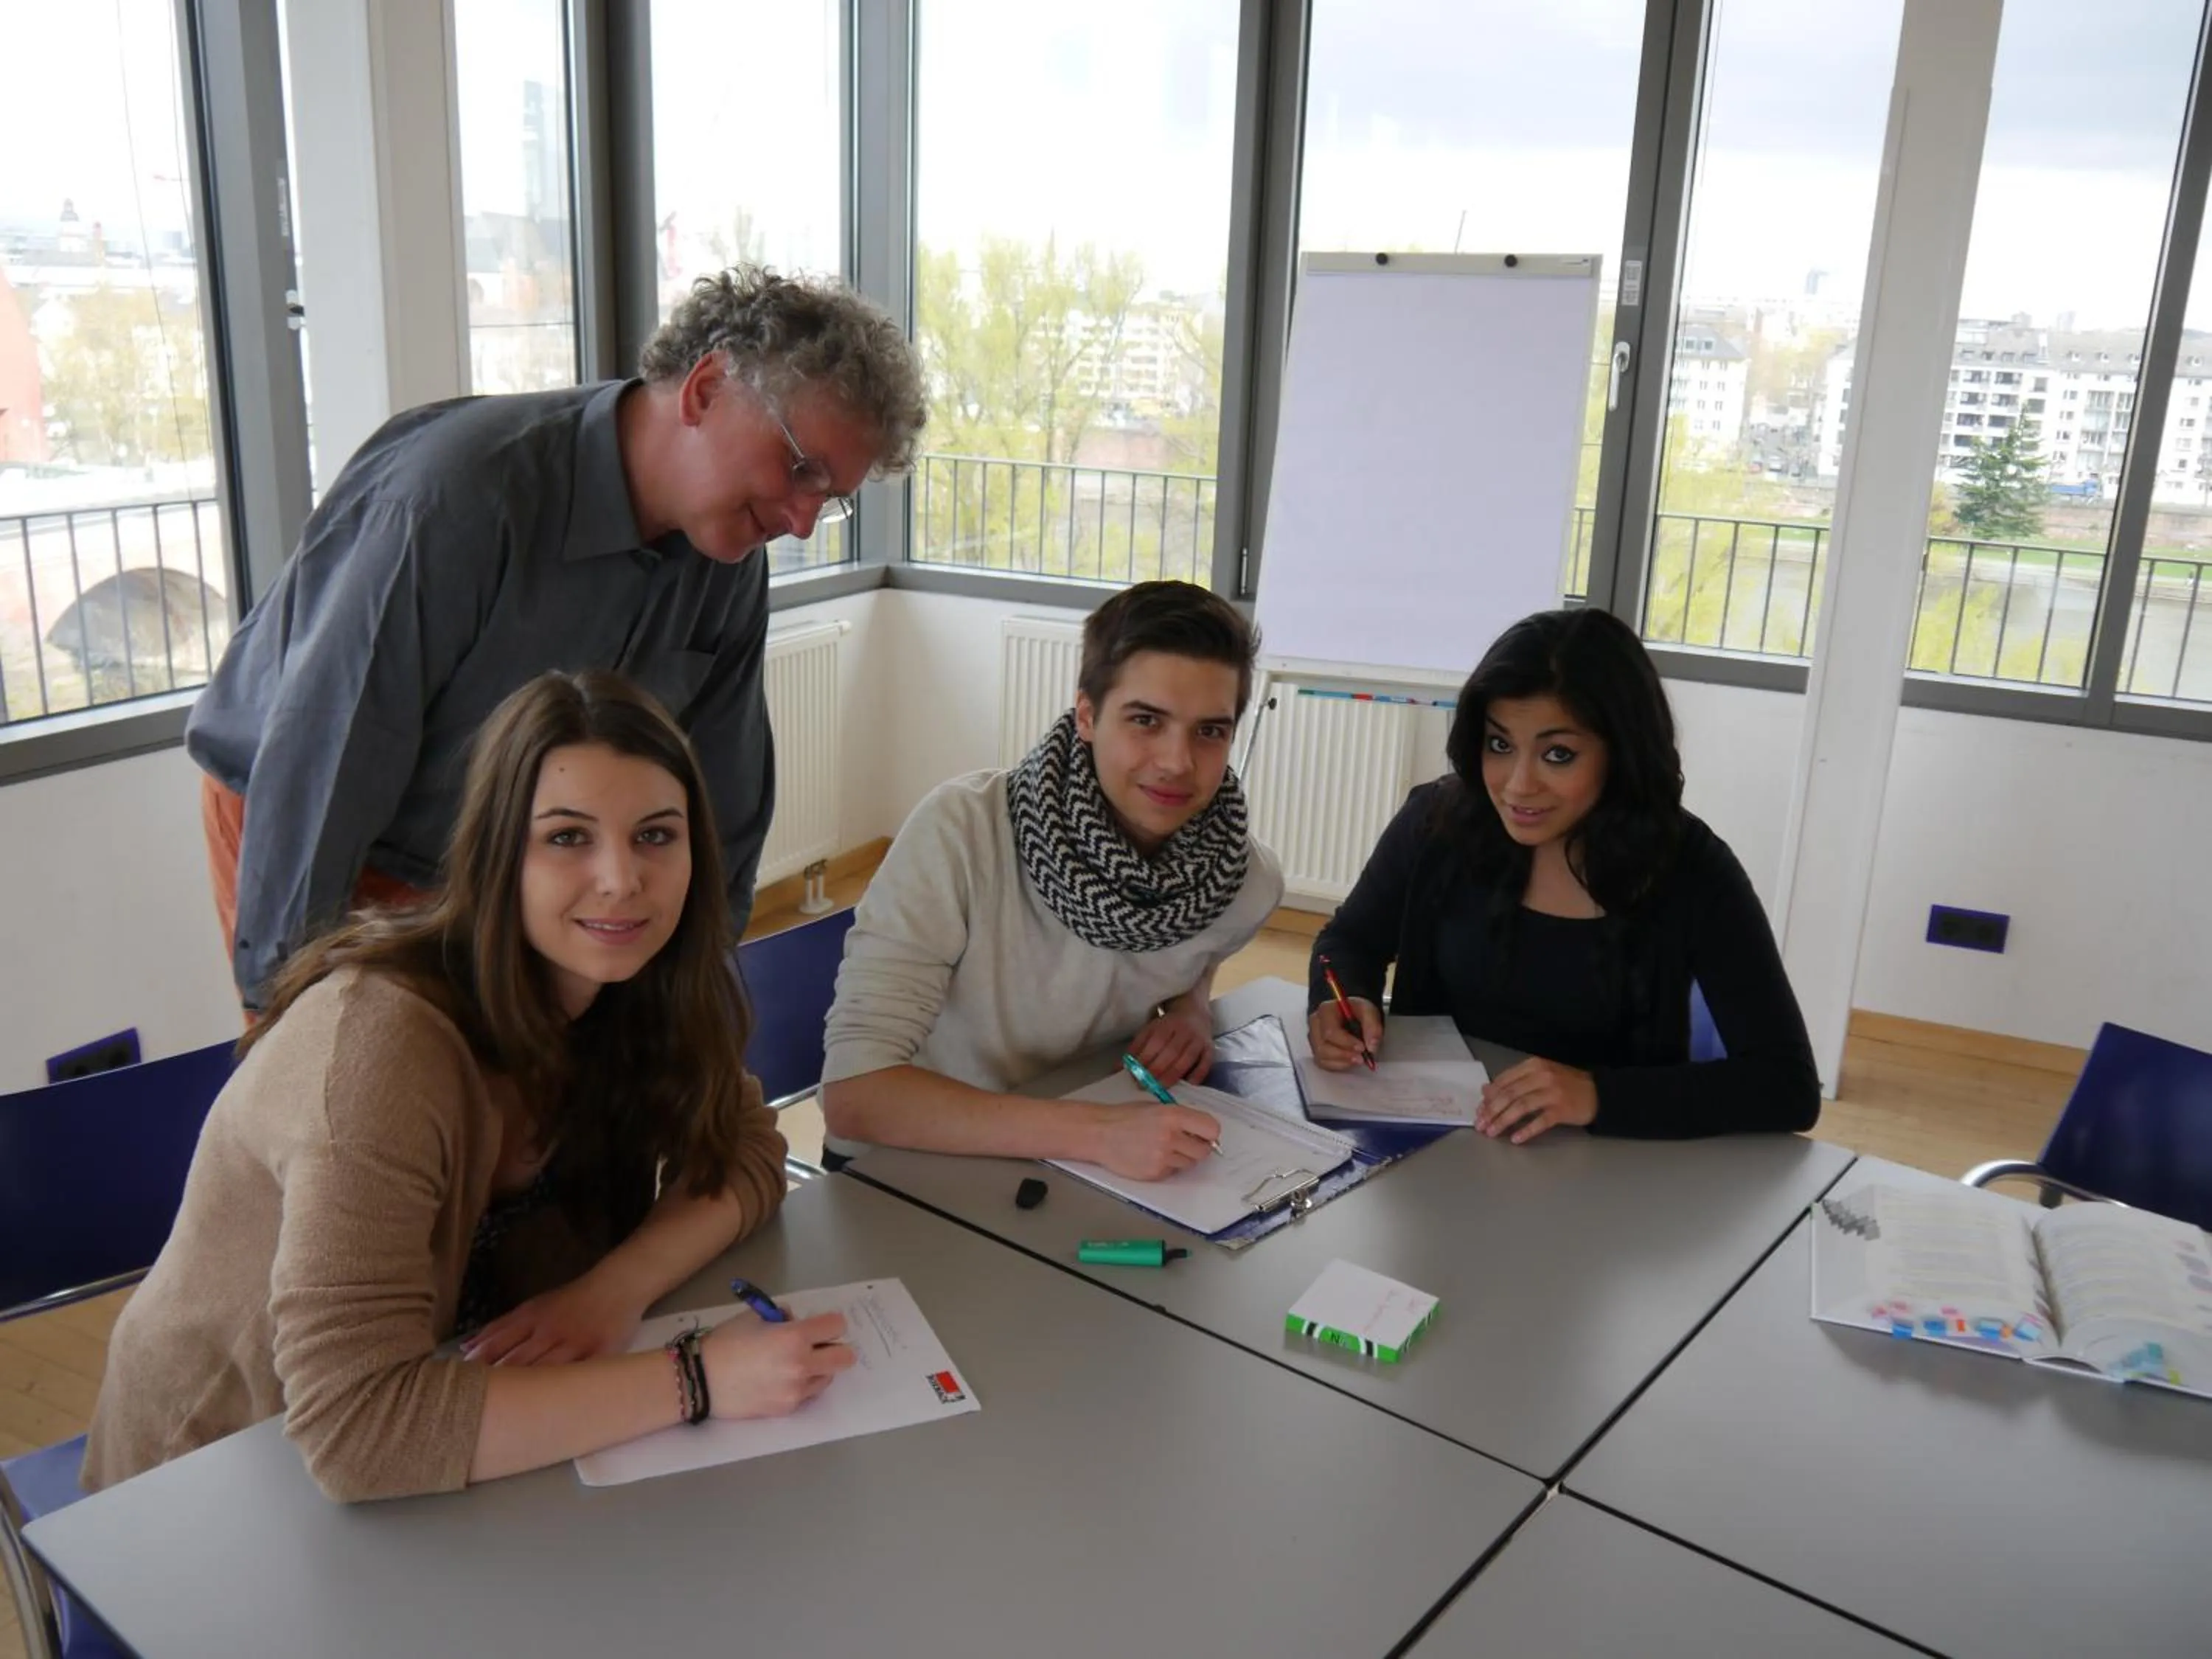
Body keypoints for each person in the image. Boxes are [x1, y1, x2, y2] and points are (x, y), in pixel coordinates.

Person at [86, 672, 851, 1502]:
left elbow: (744, 1152)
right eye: (568, 837)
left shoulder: (639, 983)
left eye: (656, 836)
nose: (621, 878)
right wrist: (696, 1379)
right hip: (215, 1479)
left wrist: (611, 1292)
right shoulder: (380, 1047)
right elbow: (359, 1432)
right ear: (497, 854)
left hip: (451, 1423)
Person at [187, 265, 928, 1009]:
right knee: (360, 1057)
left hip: (504, 857)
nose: (801, 521)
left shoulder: (728, 562)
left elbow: (722, 800)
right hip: (318, 819)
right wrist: (287, 1007)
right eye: (800, 470)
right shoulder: (457, 495)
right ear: (705, 391)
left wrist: (698, 998)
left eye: (829, 499)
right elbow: (326, 751)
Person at [820, 580, 1285, 1178]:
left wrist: (1191, 1006)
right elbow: (856, 1094)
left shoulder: (1242, 882)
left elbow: (1202, 951)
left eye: (1210, 731)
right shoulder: (961, 833)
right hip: (908, 1167)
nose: (1177, 761)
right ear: (1087, 715)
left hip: (1073, 1160)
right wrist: (1096, 1133)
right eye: (1146, 720)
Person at [1307, 608, 1820, 1142]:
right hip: (1438, 1147)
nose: (1518, 786)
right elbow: (1348, 941)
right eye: (1500, 745)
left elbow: (1787, 1085)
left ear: (1620, 754)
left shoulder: (1692, 870)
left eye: (1558, 754)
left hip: (1610, 1168)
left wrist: (1597, 1095)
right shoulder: (1437, 822)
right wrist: (1338, 999)